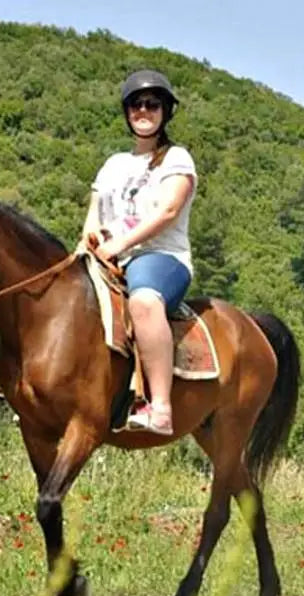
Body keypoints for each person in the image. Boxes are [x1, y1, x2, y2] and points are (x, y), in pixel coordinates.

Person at [82, 69, 197, 434]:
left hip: (161, 257)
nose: (143, 111)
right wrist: (93, 239)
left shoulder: (177, 158)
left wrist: (121, 244)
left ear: (165, 111)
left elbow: (167, 212)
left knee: (144, 301)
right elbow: (92, 216)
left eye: (152, 104)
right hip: (110, 258)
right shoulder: (114, 164)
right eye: (136, 105)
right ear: (126, 112)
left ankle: (160, 407)